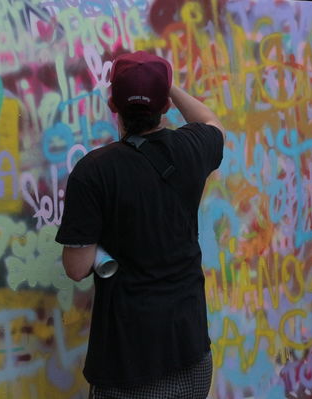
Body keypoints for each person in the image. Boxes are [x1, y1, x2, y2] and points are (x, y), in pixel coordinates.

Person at [55, 50, 224, 399]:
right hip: (192, 354)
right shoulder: (193, 149)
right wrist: (167, 87)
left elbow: (76, 268)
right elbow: (211, 122)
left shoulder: (94, 171)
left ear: (112, 104)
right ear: (164, 106)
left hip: (128, 369)